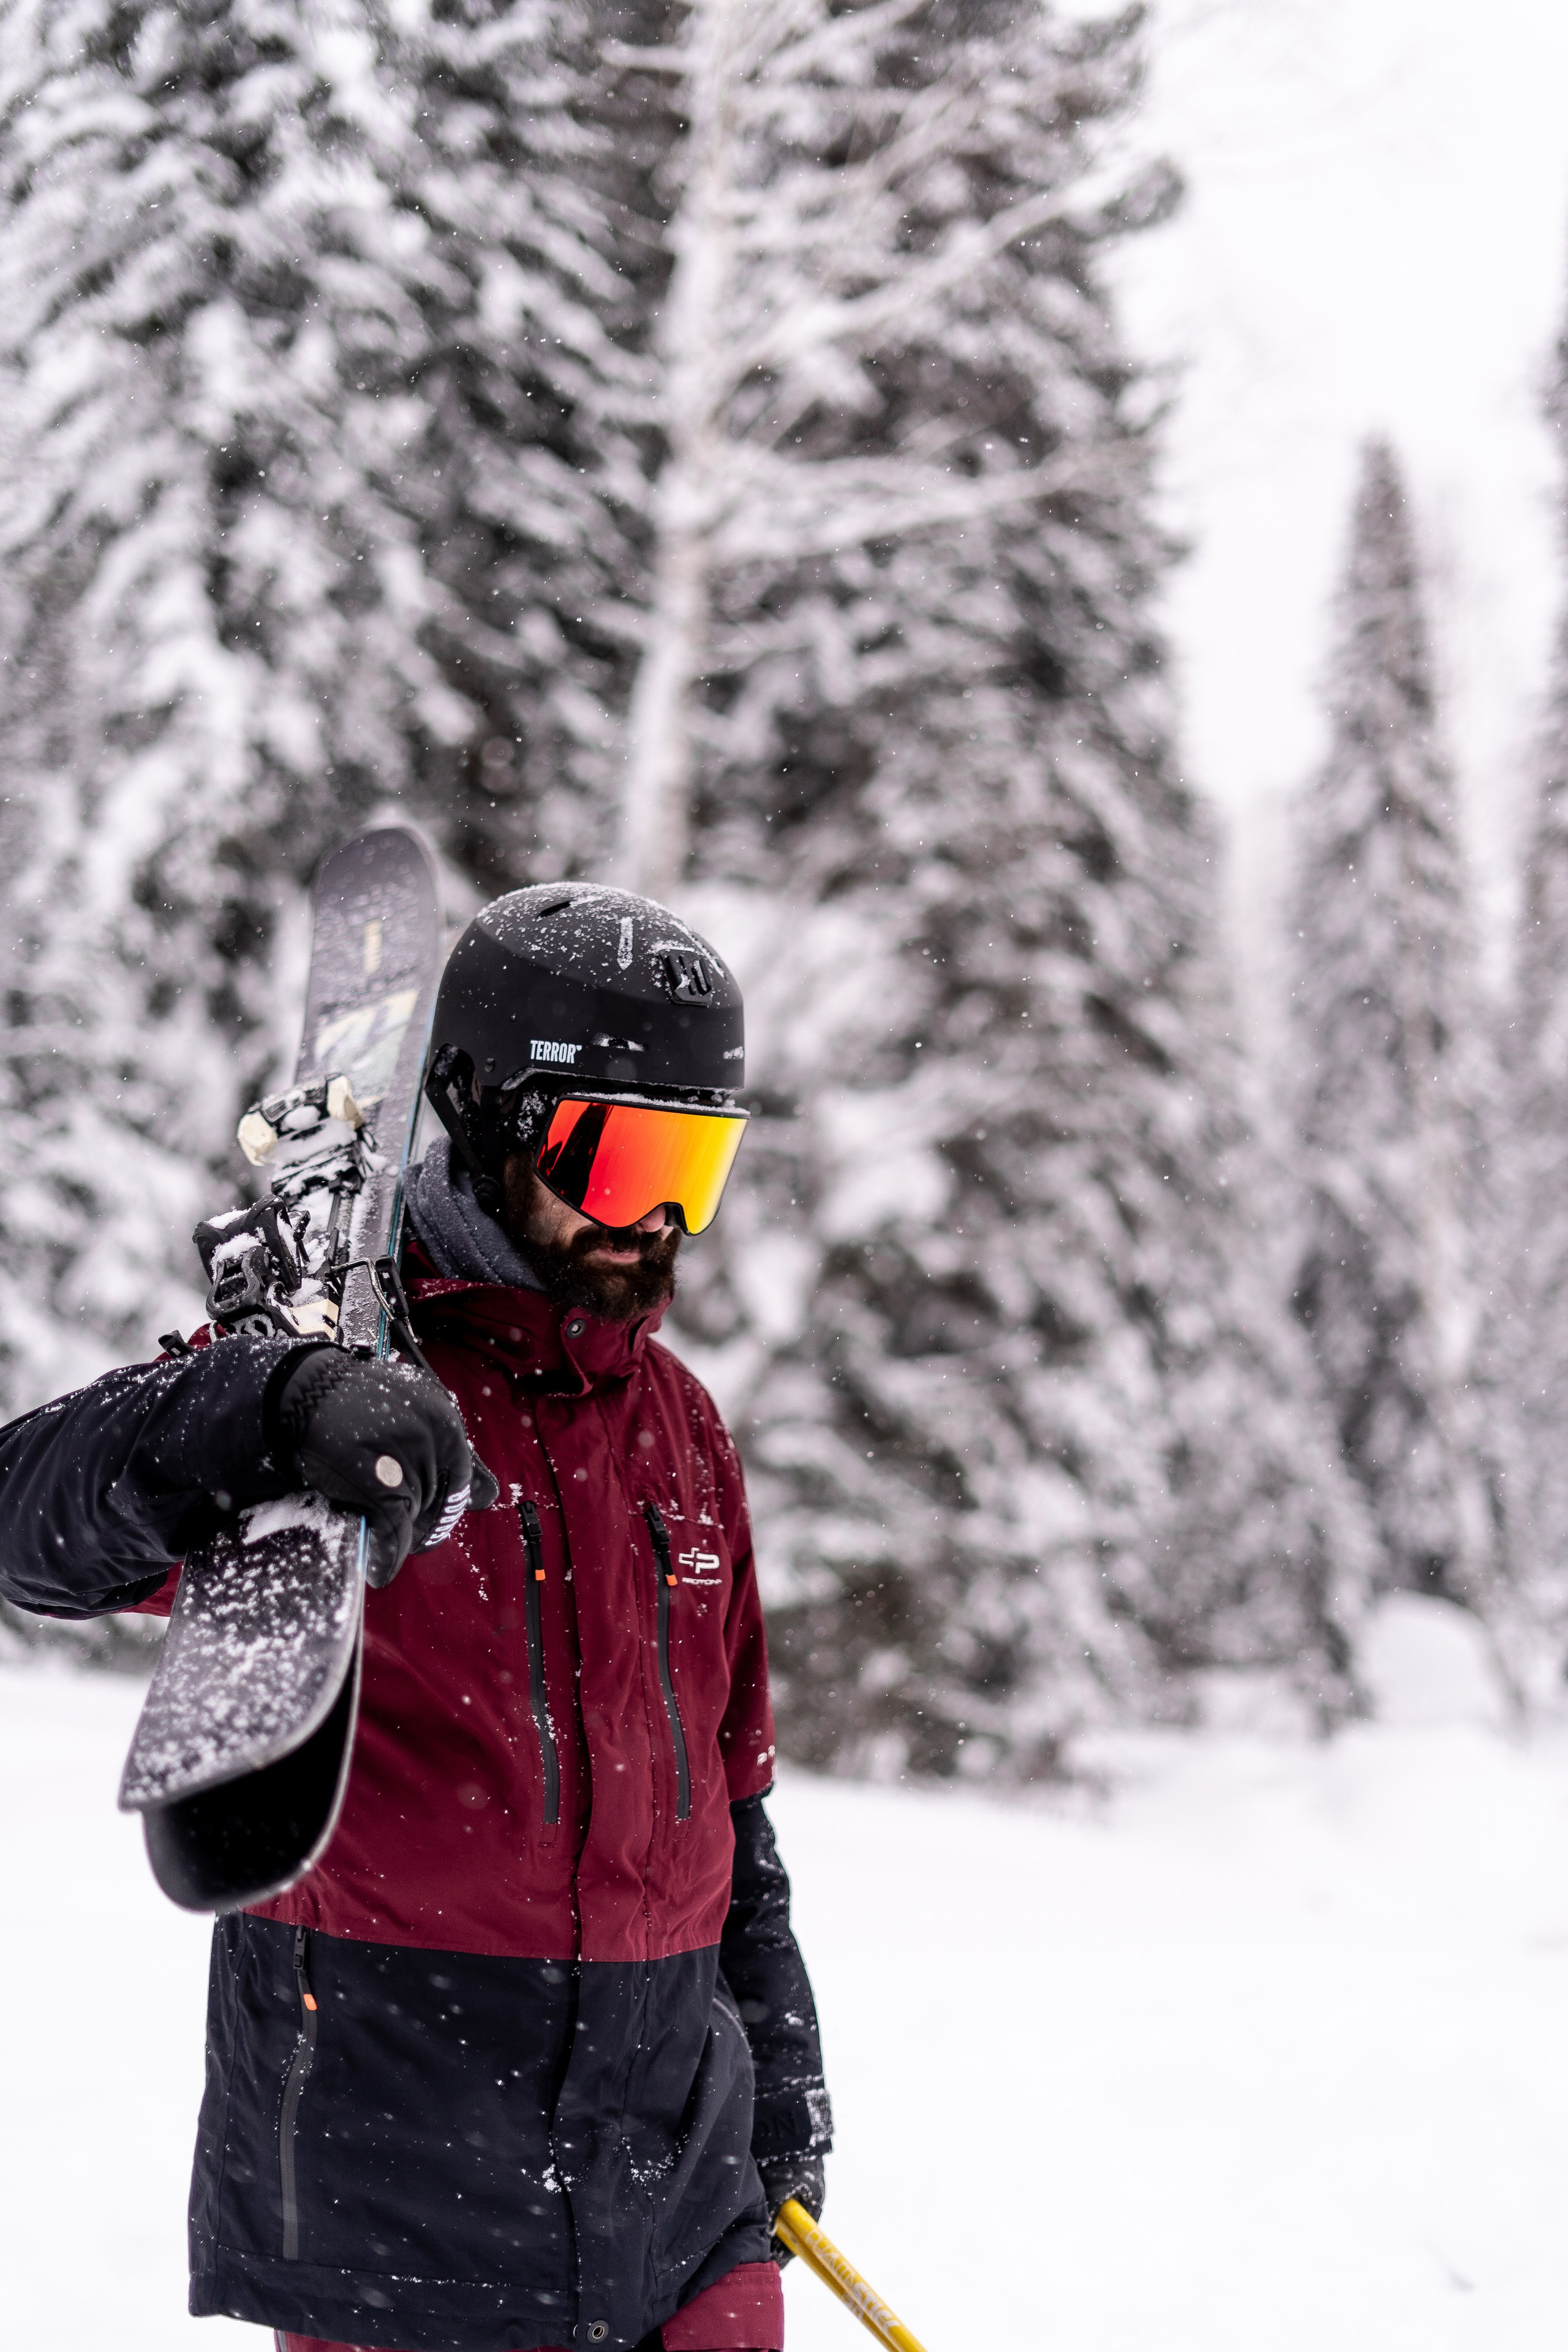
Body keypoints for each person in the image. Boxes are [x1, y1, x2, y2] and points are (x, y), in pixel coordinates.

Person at [0, 885, 831, 2352]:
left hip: (682, 2197)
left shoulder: (683, 1427)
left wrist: (780, 2089)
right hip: (408, 2215)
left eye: (694, 1166)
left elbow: (734, 1804)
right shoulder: (336, 1398)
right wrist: (251, 1406)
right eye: (624, 1153)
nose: (654, 1220)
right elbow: (24, 1526)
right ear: (493, 1112)